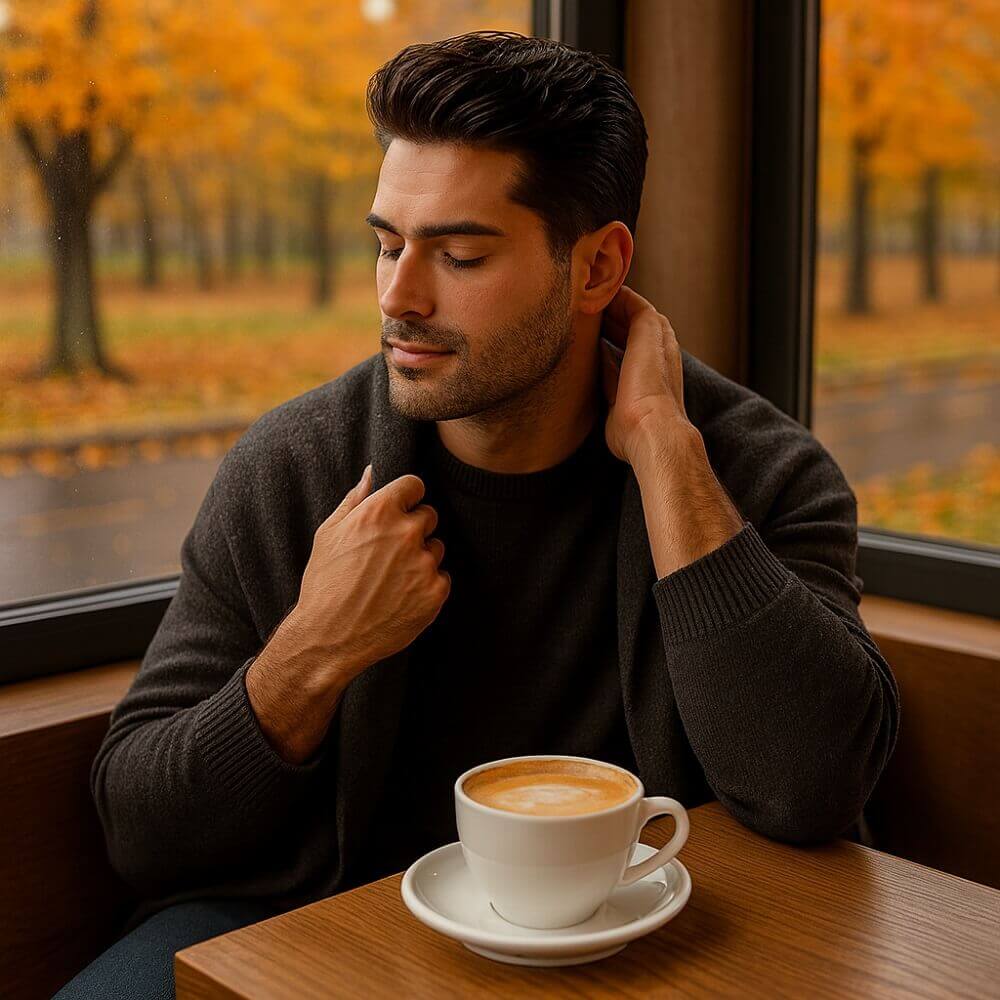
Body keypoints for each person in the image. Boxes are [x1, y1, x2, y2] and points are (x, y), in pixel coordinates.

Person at [55, 29, 898, 997]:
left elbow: (812, 786)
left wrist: (666, 453)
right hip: (318, 919)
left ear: (595, 268)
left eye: (458, 254)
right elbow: (143, 833)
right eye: (385, 244)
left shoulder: (760, 471)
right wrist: (314, 649)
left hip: (651, 933)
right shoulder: (293, 467)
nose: (397, 297)